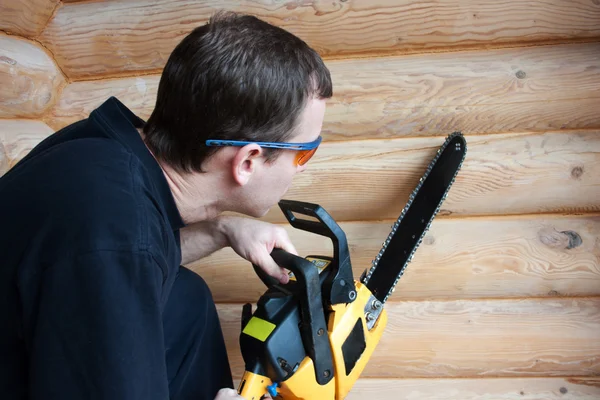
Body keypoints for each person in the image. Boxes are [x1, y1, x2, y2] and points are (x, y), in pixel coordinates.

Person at [0, 10, 332, 400]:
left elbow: (132, 256)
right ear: (248, 161)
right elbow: (116, 255)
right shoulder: (114, 237)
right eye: (304, 153)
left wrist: (221, 229)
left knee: (184, 299)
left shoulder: (103, 154)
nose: (302, 169)